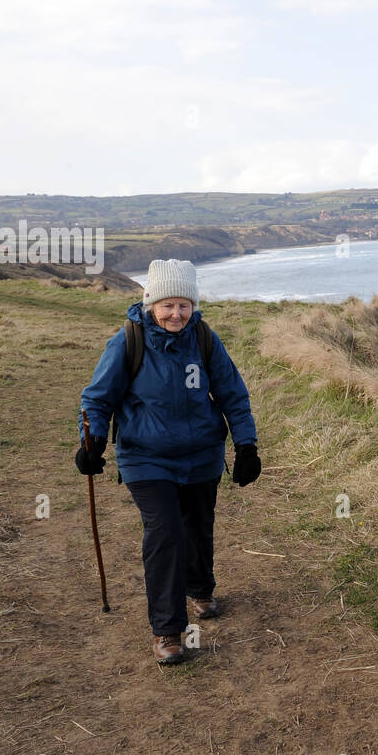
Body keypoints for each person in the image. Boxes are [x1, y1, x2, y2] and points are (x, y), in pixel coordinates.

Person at [76, 259, 261, 664]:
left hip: (201, 455)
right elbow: (97, 400)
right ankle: (167, 631)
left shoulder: (206, 340)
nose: (176, 314)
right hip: (146, 457)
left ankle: (200, 588)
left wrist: (246, 446)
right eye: (167, 306)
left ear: (193, 306)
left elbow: (233, 394)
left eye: (184, 306)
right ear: (151, 304)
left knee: (198, 525)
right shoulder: (128, 341)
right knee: (165, 533)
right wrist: (92, 443)